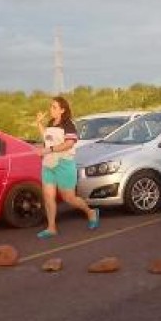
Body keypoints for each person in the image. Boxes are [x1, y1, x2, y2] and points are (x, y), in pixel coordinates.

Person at [34, 96, 99, 238]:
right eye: (50, 106)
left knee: (69, 198)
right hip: (48, 165)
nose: (51, 109)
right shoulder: (52, 122)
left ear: (62, 110)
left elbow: (69, 144)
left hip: (64, 164)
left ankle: (90, 212)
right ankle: (51, 228)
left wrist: (48, 150)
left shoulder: (68, 124)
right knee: (48, 197)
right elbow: (47, 138)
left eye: (54, 107)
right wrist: (39, 124)